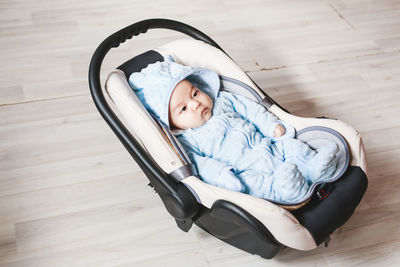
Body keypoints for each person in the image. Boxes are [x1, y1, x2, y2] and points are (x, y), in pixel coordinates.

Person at [129, 56, 339, 204]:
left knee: (292, 147)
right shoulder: (187, 139)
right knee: (255, 186)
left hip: (269, 146)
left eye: (194, 93)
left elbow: (253, 110)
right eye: (183, 109)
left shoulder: (223, 100)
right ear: (172, 123)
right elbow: (200, 164)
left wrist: (271, 126)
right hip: (243, 170)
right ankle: (287, 192)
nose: (195, 104)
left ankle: (315, 167)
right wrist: (222, 176)